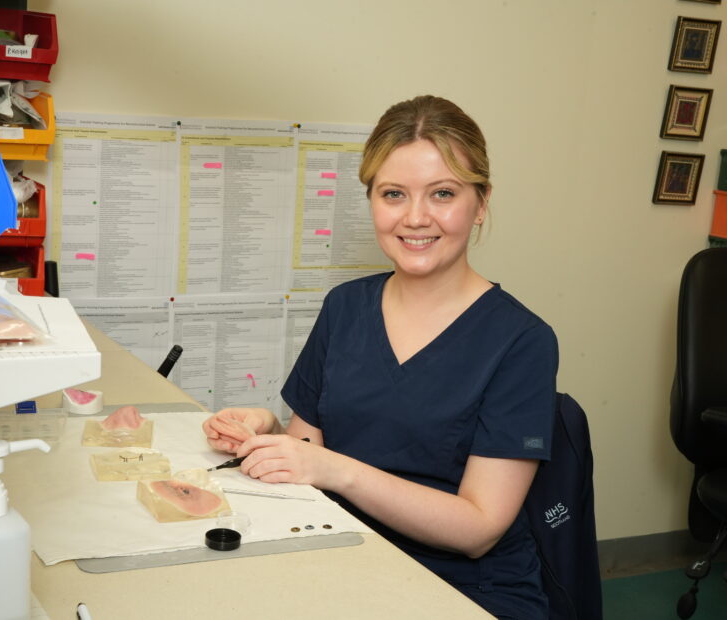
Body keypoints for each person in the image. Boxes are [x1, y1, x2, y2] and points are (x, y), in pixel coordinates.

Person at [202, 95, 558, 619]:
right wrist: (268, 434)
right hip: (342, 557)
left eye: (443, 193)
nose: (416, 218)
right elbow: (311, 449)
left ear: (481, 203)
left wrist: (335, 470)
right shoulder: (345, 307)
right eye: (394, 194)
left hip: (466, 590)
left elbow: (479, 529)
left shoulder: (521, 340)